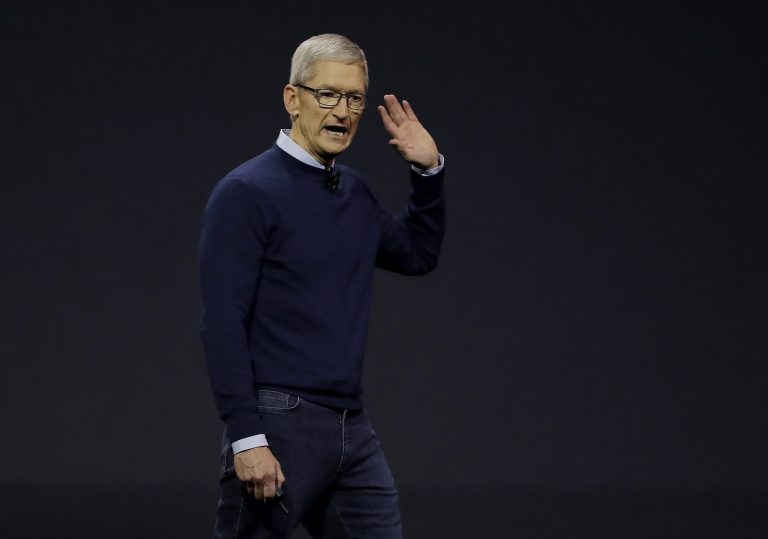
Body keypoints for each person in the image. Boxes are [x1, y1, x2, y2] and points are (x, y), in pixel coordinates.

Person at [198, 32, 446, 538]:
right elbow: (222, 322)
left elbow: (417, 254)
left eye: (354, 98)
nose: (343, 111)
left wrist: (427, 172)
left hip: (350, 425)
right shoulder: (246, 193)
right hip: (278, 423)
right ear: (293, 99)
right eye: (328, 94)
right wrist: (247, 437)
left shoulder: (353, 191)